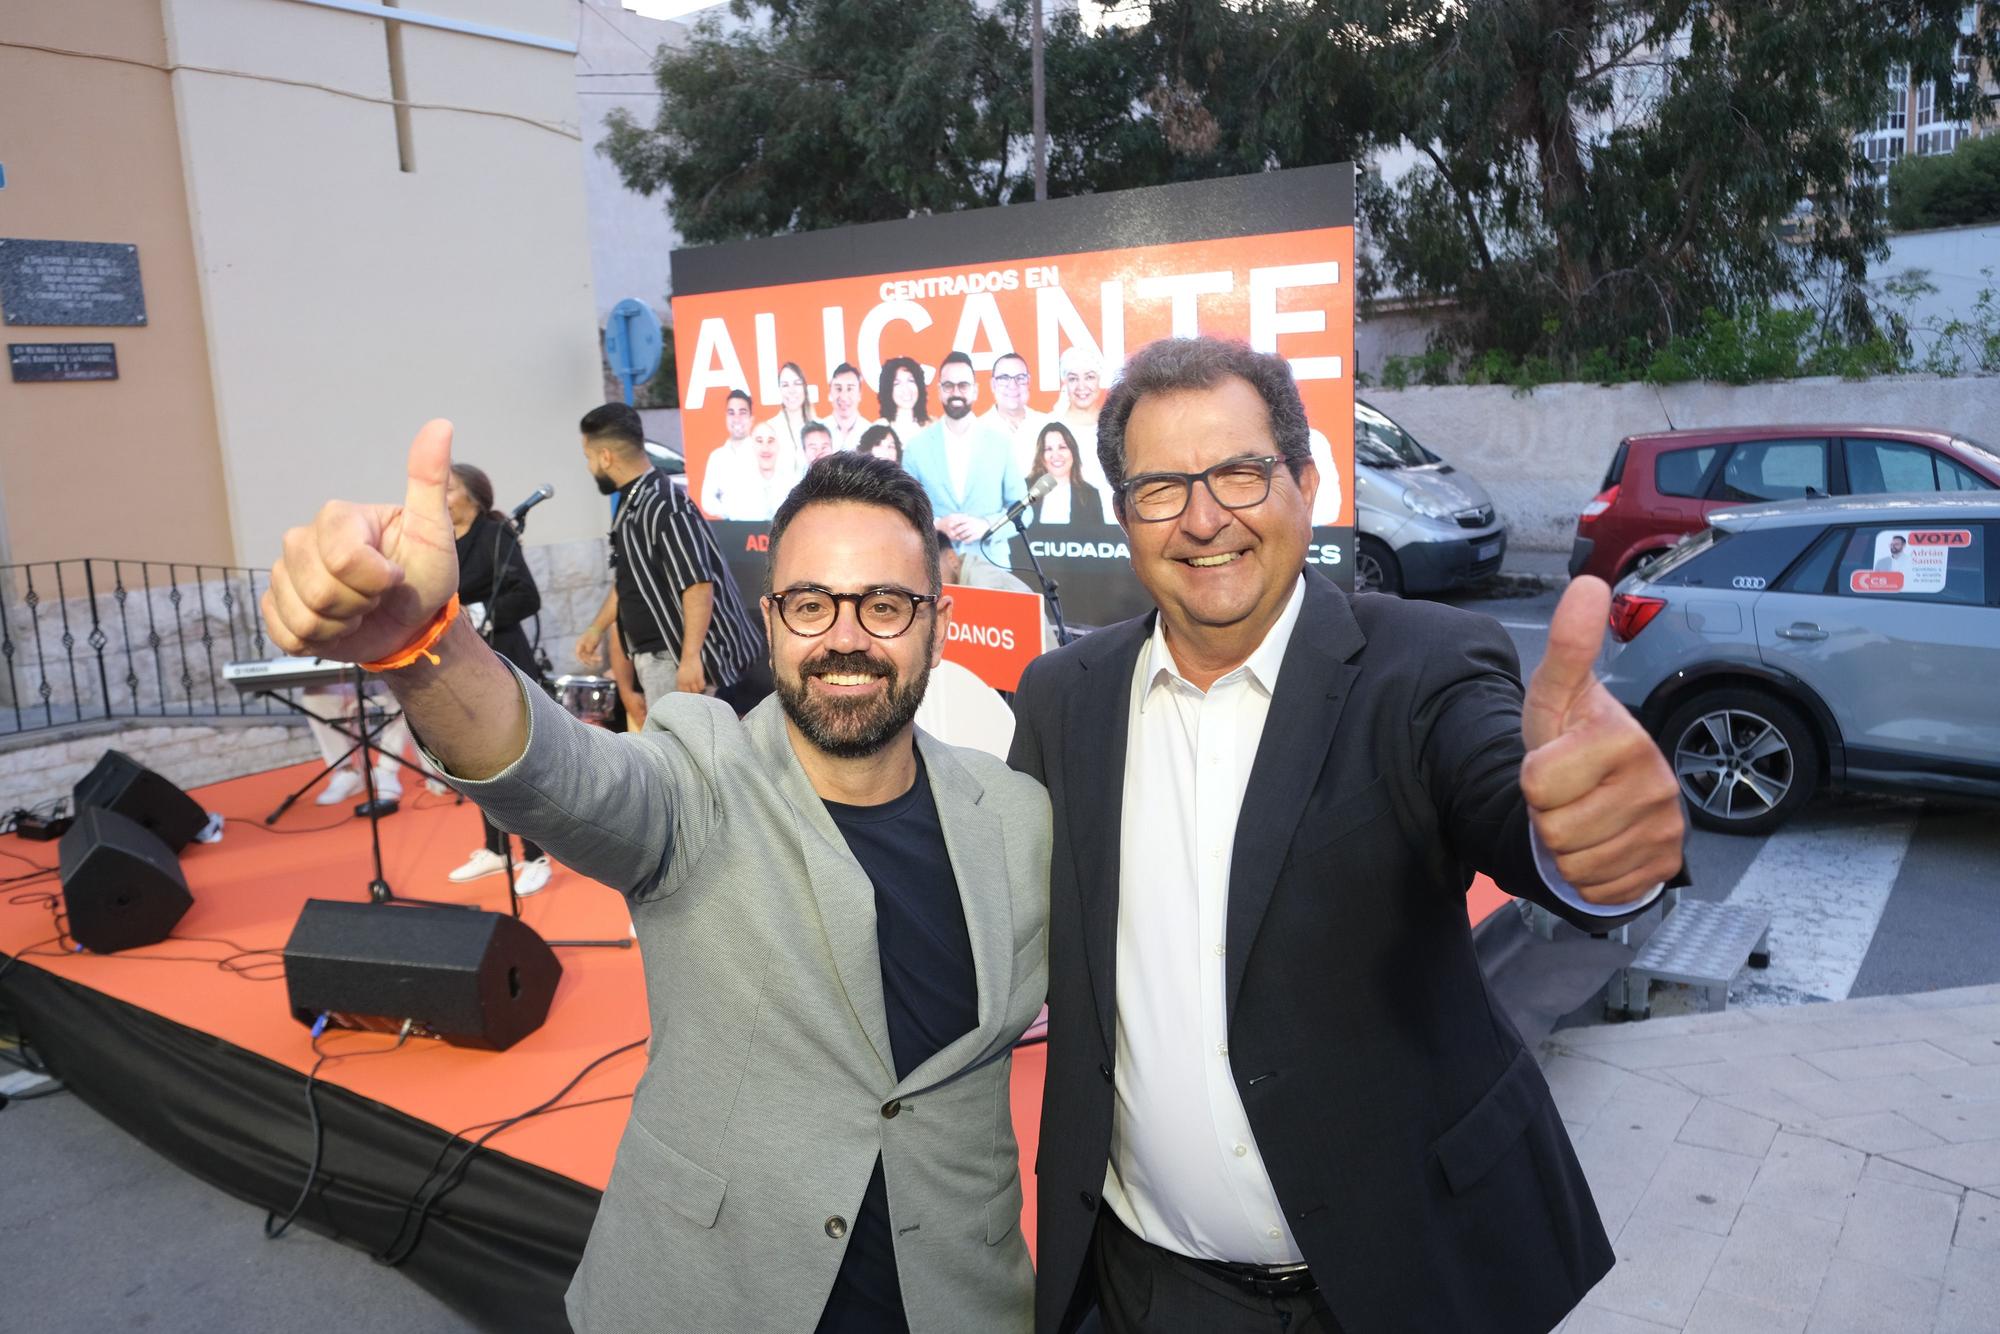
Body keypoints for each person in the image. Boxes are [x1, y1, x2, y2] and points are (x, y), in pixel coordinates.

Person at [261, 435, 1049, 1334]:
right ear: (772, 617)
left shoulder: (1020, 819)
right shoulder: (699, 781)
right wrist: (425, 648)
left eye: (883, 605)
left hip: (960, 1299)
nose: (844, 638)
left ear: (938, 624)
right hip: (712, 1299)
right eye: (810, 605)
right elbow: (558, 774)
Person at [1008, 336, 1686, 1334]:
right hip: (1157, 1286)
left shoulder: (1422, 664)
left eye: (1238, 473)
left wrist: (1580, 841)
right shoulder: (1062, 694)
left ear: (1307, 481)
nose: (1203, 519)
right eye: (1160, 488)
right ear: (1123, 518)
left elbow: (1502, 789)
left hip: (1402, 1278)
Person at [569, 403, 766, 713]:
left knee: (683, 758)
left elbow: (698, 584)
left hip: (673, 660)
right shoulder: (632, 503)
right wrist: (595, 629)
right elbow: (630, 579)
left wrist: (689, 659)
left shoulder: (665, 504)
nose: (589, 466)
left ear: (605, 456)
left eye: (589, 457)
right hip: (658, 659)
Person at [440, 461, 553, 894]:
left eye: (448, 489)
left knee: (514, 761)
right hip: (460, 666)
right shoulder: (444, 544)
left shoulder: (495, 534)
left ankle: (535, 855)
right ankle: (496, 848)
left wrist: (479, 613)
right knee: (475, 759)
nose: (441, 498)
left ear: (475, 495)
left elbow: (526, 595)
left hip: (504, 659)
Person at [901, 351, 1027, 584]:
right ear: (939, 390)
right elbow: (904, 509)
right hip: (933, 570)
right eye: (949, 386)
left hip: (992, 569)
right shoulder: (916, 447)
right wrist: (937, 525)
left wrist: (987, 526)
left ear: (975, 390)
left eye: (963, 385)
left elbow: (1023, 509)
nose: (956, 392)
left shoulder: (1001, 443)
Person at [1044, 345, 1112, 495]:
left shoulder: (1114, 425)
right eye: (1073, 378)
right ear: (1065, 382)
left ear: (1100, 379)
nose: (1081, 386)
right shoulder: (1048, 428)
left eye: (1089, 377)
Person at [1025, 421, 1103, 526]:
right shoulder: (1025, 490)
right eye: (1048, 449)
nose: (1055, 455)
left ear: (1073, 452)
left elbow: (1097, 537)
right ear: (1041, 456)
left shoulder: (1089, 494)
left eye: (1062, 447)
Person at [698, 388, 760, 518]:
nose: (736, 418)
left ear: (751, 418)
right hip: (729, 529)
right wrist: (731, 510)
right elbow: (707, 501)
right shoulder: (717, 457)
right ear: (726, 418)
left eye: (742, 412)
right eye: (731, 413)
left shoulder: (762, 451)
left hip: (761, 530)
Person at [982, 351, 1042, 479]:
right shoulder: (977, 430)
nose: (1013, 386)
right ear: (993, 384)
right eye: (1004, 378)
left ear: (1028, 381)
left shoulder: (1047, 425)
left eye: (1020, 378)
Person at [764, 361, 814, 460]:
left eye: (797, 383)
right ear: (779, 390)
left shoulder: (819, 426)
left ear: (805, 387)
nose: (791, 390)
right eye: (785, 385)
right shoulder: (769, 429)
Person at [876, 356, 930, 435]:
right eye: (897, 383)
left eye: (911, 381)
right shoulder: (879, 429)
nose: (906, 389)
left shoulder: (932, 427)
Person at [824, 363, 871, 452]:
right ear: (830, 393)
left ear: (859, 394)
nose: (844, 397)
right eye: (838, 389)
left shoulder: (870, 431)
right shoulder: (819, 430)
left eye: (850, 389)